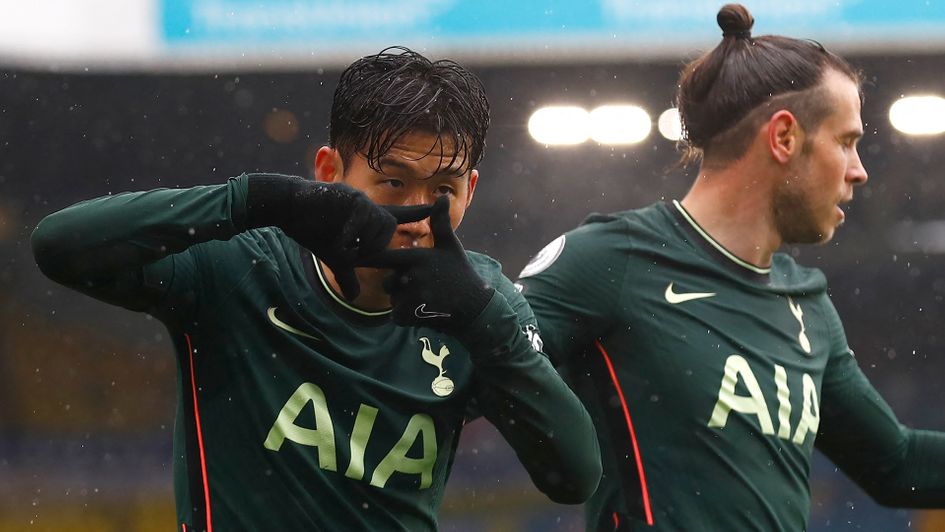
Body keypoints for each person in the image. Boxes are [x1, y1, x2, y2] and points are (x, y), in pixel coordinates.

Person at [31, 47, 601, 531]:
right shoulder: (240, 269)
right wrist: (253, 199)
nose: (419, 214)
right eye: (393, 182)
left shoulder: (483, 303)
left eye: (444, 189)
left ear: (471, 190)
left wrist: (483, 319)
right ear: (329, 172)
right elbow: (58, 246)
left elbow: (574, 477)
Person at [517, 4, 945, 531]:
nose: (859, 171)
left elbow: (897, 464)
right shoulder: (610, 260)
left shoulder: (807, 306)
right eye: (847, 141)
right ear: (784, 137)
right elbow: (459, 379)